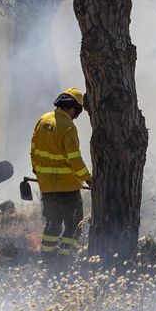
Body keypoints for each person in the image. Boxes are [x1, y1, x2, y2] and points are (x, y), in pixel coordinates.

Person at [30, 88, 91, 257]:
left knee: (52, 224)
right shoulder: (68, 126)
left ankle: (47, 257)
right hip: (68, 187)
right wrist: (89, 179)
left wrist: (38, 172)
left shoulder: (42, 120)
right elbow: (75, 159)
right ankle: (65, 257)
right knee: (74, 225)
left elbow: (33, 150)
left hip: (47, 186)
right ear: (75, 109)